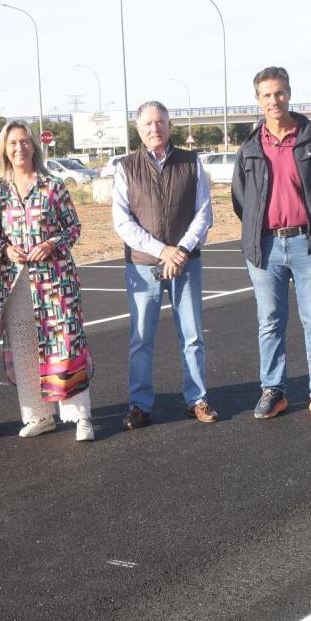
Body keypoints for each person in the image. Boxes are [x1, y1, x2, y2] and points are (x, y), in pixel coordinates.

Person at [229, 66, 311, 421]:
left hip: (307, 244)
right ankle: (273, 391)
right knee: (269, 322)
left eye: (279, 93)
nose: (274, 100)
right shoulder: (250, 147)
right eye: (266, 95)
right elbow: (240, 200)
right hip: (266, 248)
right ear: (258, 100)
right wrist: (257, 233)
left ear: (289, 93)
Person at [0, 119, 95, 441]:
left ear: (34, 146)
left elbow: (73, 228)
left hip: (56, 283)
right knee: (26, 349)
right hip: (16, 283)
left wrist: (51, 244)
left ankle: (80, 415)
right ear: (4, 150)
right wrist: (5, 250)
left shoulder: (52, 185)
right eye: (13, 143)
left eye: (25, 142)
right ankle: (39, 415)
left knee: (65, 344)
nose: (20, 148)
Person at [111, 100, 216, 429]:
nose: (154, 129)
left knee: (193, 336)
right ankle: (140, 404)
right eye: (147, 124)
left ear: (169, 125)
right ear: (138, 129)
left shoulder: (191, 162)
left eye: (160, 122)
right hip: (143, 266)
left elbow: (204, 213)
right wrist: (163, 251)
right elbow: (122, 223)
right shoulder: (126, 167)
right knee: (141, 339)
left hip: (187, 263)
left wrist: (180, 250)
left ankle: (197, 399)